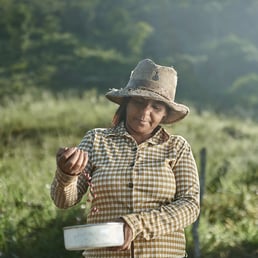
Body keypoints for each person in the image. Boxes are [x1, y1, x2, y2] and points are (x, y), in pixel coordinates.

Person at [50, 58, 200, 258]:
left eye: (156, 107)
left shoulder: (177, 147)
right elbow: (63, 201)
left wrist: (135, 225)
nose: (145, 112)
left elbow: (190, 205)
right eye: (139, 102)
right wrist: (67, 174)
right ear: (126, 103)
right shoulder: (96, 140)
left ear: (165, 114)